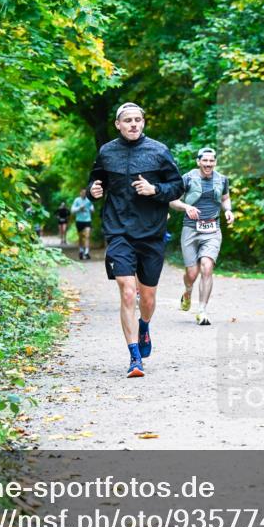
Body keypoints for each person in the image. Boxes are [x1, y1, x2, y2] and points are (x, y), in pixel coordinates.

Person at [87, 102, 184, 377]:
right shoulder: (107, 152)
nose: (133, 124)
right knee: (127, 290)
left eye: (138, 120)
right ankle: (134, 358)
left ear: (143, 122)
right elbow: (96, 183)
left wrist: (155, 189)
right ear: (118, 124)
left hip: (151, 232)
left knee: (148, 298)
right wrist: (92, 191)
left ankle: (144, 326)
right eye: (127, 120)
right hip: (118, 231)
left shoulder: (158, 151)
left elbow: (178, 186)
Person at [169, 147, 234, 326]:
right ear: (198, 162)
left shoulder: (222, 179)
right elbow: (173, 201)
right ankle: (187, 291)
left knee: (207, 267)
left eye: (211, 161)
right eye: (204, 161)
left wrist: (228, 211)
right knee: (192, 273)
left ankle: (202, 310)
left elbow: (225, 198)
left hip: (213, 229)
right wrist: (186, 207)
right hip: (190, 229)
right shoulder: (188, 178)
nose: (208, 164)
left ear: (215, 162)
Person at [71, 188, 94, 259]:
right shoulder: (77, 200)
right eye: (82, 192)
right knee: (81, 237)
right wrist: (79, 208)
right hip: (79, 221)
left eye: (85, 192)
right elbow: (72, 210)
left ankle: (86, 252)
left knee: (87, 236)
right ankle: (81, 251)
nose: (84, 194)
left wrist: (91, 209)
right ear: (80, 193)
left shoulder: (89, 200)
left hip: (87, 220)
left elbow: (92, 209)